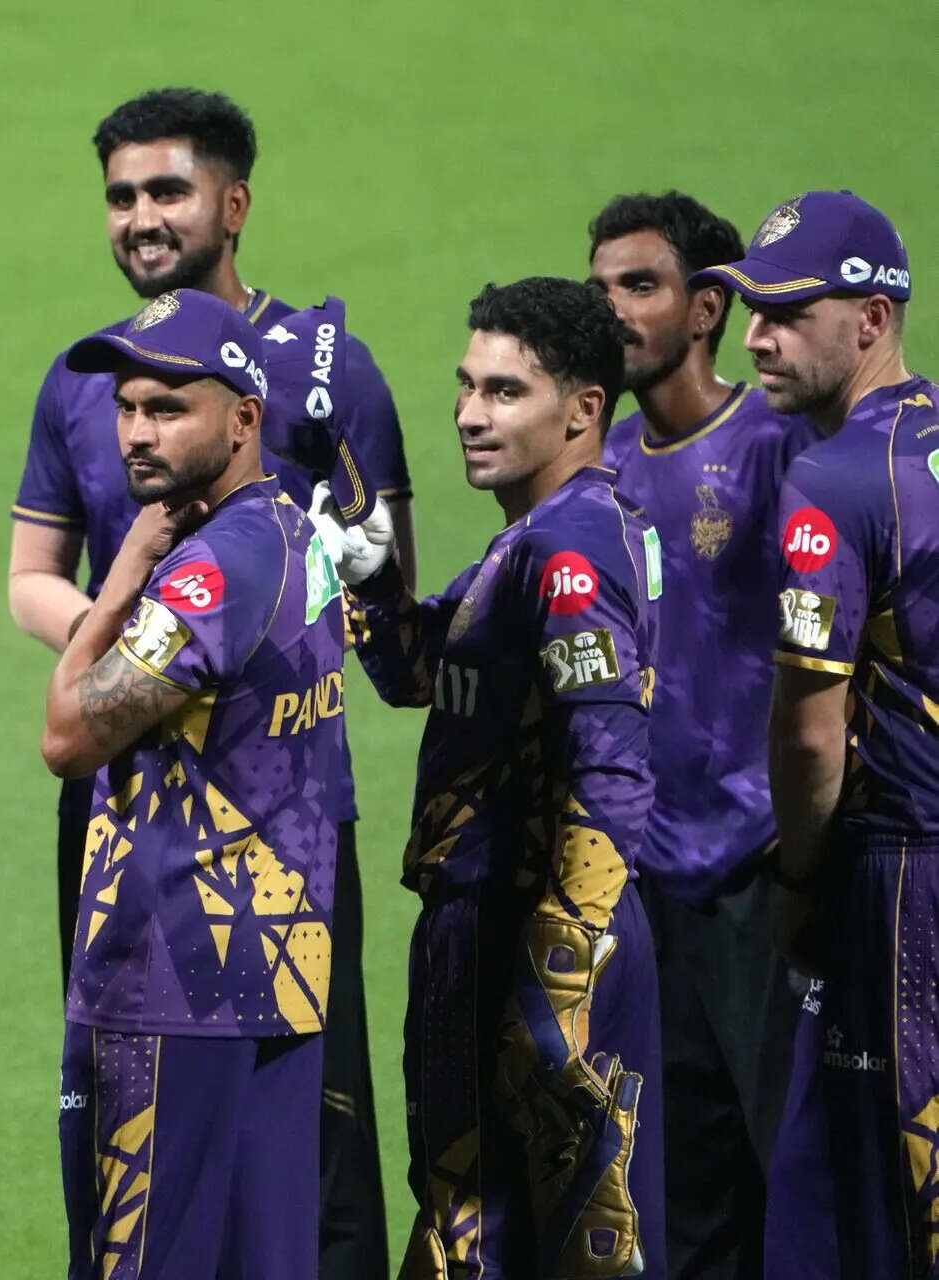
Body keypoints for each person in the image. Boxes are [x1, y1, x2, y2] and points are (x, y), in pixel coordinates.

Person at [4, 87, 398, 1275]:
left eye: (166, 189)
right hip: (171, 821)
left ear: (234, 203)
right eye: (120, 194)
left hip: (219, 873)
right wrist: (156, 641)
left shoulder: (321, 383)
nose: (136, 429)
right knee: (243, 1204)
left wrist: (141, 616)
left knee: (182, 1202)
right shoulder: (96, 391)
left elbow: (65, 731)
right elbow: (29, 578)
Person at [327, 276, 665, 1277]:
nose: (470, 414)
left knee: (557, 1239)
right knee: (474, 1225)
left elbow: (611, 765)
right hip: (495, 928)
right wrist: (372, 581)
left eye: (505, 392)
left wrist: (564, 963)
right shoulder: (534, 537)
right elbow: (424, 673)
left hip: (534, 932)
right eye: (467, 385)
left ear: (584, 408)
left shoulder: (570, 548)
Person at [38, 288, 346, 1279]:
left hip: (171, 982)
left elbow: (67, 734)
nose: (138, 431)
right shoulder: (293, 532)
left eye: (169, 407)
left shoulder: (209, 571)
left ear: (244, 417)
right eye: (127, 407)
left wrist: (122, 576)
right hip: (275, 974)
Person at [586, 191, 816, 1278]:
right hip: (645, 884)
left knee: (797, 1170)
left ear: (709, 307)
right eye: (598, 288)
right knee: (679, 1193)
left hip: (762, 873)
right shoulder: (603, 467)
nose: (612, 309)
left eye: (639, 285)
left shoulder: (779, 443)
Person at [705, 190, 933, 1277]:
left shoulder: (834, 481)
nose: (756, 336)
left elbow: (808, 735)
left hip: (899, 878)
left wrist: (800, 882)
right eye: (754, 308)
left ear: (872, 320)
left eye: (791, 313)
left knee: (868, 1199)